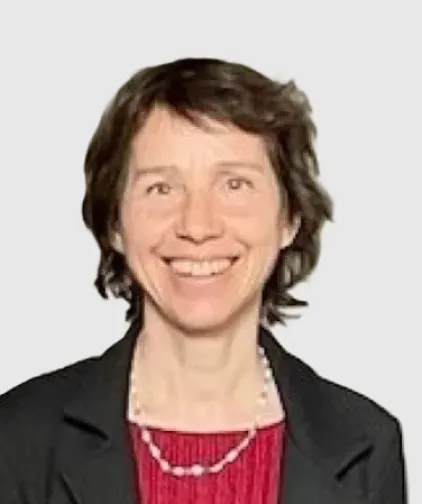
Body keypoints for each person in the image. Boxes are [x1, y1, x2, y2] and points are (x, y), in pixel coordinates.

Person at [0, 57, 406, 504]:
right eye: (161, 188)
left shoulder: (364, 445)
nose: (197, 225)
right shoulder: (18, 438)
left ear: (290, 217)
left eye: (234, 185)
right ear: (115, 222)